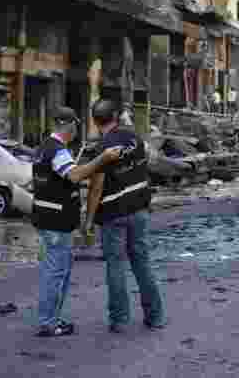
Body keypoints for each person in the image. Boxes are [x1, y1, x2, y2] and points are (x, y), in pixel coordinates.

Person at [32, 106, 123, 338]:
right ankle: (49, 323)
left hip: (47, 217)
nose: (76, 131)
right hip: (56, 221)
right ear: (70, 125)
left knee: (53, 271)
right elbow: (74, 175)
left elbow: (60, 179)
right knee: (56, 272)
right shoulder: (57, 150)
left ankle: (51, 318)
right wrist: (102, 159)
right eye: (76, 126)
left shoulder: (44, 148)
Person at [84, 100, 165, 334]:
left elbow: (96, 187)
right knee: (142, 264)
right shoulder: (135, 139)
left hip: (113, 215)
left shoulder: (102, 148)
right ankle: (155, 316)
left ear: (95, 120)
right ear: (117, 116)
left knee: (116, 267)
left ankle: (120, 320)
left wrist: (89, 220)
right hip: (139, 210)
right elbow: (146, 166)